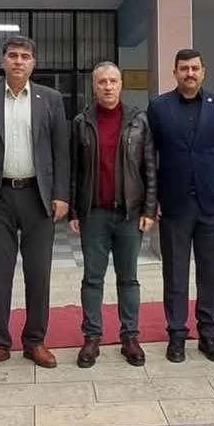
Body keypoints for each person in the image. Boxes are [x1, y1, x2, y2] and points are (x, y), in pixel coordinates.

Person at [0, 35, 70, 371]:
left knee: (38, 272)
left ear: (33, 62)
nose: (18, 61)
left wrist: (61, 194)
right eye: (13, 55)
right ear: (3, 61)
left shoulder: (50, 99)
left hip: (38, 196)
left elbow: (61, 151)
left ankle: (35, 341)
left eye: (25, 56)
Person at [147, 49, 214, 364]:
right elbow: (149, 156)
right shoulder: (159, 107)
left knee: (210, 273)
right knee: (175, 273)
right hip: (173, 203)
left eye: (195, 68)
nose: (190, 73)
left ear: (203, 71)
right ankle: (176, 334)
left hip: (211, 203)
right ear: (175, 72)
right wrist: (152, 199)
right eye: (184, 68)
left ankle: (208, 334)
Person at [69, 62, 157, 368]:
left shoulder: (139, 121)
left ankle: (129, 337)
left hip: (129, 214)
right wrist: (74, 210)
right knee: (92, 278)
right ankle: (92, 337)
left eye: (113, 81)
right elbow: (74, 170)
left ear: (121, 84)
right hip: (94, 213)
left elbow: (149, 167)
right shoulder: (81, 122)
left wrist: (149, 209)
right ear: (94, 86)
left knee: (128, 278)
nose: (108, 86)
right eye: (102, 82)